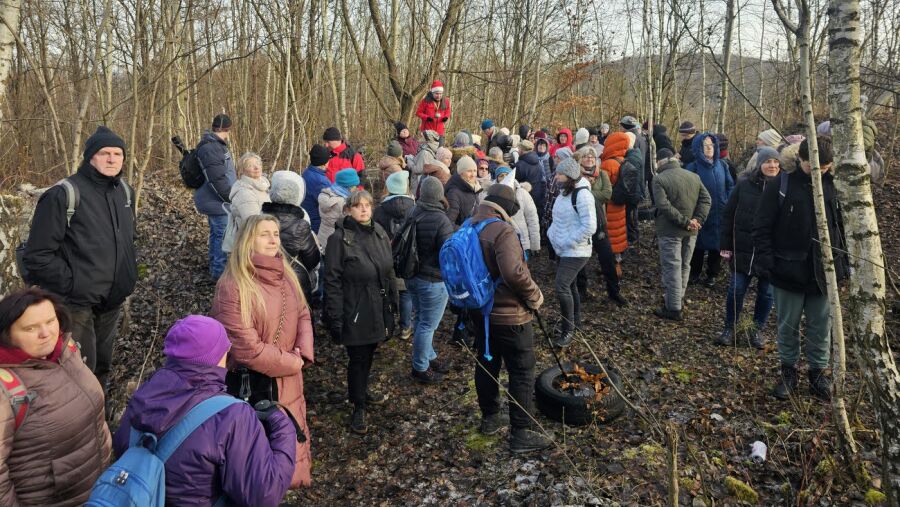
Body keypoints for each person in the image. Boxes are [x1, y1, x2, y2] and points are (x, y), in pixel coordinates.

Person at [113, 315, 297, 506]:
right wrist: (283, 426)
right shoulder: (232, 416)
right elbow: (263, 495)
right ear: (218, 356)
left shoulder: (143, 396)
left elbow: (121, 449)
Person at [22, 126, 136, 386]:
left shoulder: (124, 193)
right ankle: (81, 423)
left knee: (102, 368)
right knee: (78, 373)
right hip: (76, 305)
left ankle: (101, 419)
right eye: (104, 153)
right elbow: (37, 256)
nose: (111, 159)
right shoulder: (64, 195)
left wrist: (127, 277)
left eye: (117, 154)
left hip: (112, 301)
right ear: (90, 157)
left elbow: (127, 242)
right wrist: (74, 285)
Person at [210, 214, 314, 486]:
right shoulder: (233, 286)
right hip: (255, 386)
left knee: (288, 450)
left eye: (276, 233)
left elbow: (303, 313)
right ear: (247, 240)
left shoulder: (286, 275)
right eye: (264, 234)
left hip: (289, 378)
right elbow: (246, 348)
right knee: (257, 467)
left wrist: (302, 353)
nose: (273, 239)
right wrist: (292, 362)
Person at [753, 137, 847, 401]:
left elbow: (843, 228)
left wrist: (843, 266)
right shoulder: (780, 185)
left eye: (827, 166)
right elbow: (761, 226)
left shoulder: (836, 187)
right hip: (787, 271)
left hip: (824, 273)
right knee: (788, 326)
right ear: (801, 159)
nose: (821, 171)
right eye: (815, 165)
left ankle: (818, 374)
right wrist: (767, 261)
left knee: (820, 326)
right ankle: (788, 372)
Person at [0, 287, 112, 506]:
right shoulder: (6, 387)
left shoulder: (66, 352)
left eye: (51, 321)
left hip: (98, 489)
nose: (46, 333)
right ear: (7, 335)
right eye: (30, 328)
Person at [469, 184, 550, 453]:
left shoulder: (470, 226)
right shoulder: (502, 231)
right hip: (510, 316)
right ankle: (521, 432)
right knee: (522, 370)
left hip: (480, 312)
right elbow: (514, 273)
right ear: (506, 209)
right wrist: (534, 295)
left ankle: (490, 418)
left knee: (486, 362)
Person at [323, 191, 398, 434]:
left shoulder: (379, 232)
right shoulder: (339, 239)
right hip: (354, 309)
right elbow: (332, 281)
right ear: (348, 210)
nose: (364, 210)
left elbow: (388, 271)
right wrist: (335, 317)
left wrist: (393, 304)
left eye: (367, 205)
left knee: (370, 353)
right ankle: (358, 405)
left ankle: (363, 390)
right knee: (358, 358)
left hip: (377, 305)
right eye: (358, 206)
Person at [715, 147, 780, 349]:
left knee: (767, 294)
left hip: (770, 252)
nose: (772, 165)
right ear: (759, 164)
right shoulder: (744, 185)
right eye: (768, 161)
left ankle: (755, 330)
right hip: (742, 248)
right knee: (736, 289)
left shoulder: (784, 187)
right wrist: (725, 245)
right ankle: (729, 328)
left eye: (776, 162)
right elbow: (728, 215)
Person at [651, 149, 711, 321]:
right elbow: (707, 200)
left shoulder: (659, 179)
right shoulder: (693, 176)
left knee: (672, 268)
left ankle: (674, 308)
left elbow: (663, 206)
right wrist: (697, 220)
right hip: (692, 230)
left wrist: (685, 221)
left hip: (670, 230)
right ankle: (677, 299)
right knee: (685, 265)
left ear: (660, 162)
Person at [404, 177, 454, 383]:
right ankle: (420, 367)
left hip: (412, 276)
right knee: (427, 324)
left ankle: (429, 355)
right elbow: (448, 253)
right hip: (432, 280)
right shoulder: (441, 219)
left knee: (419, 319)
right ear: (439, 195)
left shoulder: (413, 212)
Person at [547, 158, 597, 347]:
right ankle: (575, 322)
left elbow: (589, 226)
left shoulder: (583, 196)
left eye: (560, 174)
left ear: (569, 176)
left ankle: (568, 330)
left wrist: (568, 242)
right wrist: (551, 235)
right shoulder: (563, 193)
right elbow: (556, 219)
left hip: (577, 251)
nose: (557, 177)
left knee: (561, 286)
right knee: (571, 286)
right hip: (563, 249)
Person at [573, 147, 625, 306]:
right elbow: (574, 196)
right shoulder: (574, 176)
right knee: (580, 257)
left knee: (607, 257)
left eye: (592, 156)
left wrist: (585, 192)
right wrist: (588, 192)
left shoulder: (601, 174)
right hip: (579, 222)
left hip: (599, 221)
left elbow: (607, 195)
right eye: (586, 156)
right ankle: (581, 290)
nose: (589, 158)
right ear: (580, 159)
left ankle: (614, 291)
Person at [262, 171, 322, 302]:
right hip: (293, 278)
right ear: (296, 197)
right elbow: (312, 259)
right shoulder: (301, 224)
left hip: (263, 275)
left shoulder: (257, 219)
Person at [190, 114, 237, 279]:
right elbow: (217, 180)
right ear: (227, 130)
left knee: (217, 234)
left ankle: (213, 266)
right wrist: (232, 197)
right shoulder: (211, 147)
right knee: (221, 237)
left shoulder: (214, 145)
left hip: (216, 201)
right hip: (217, 202)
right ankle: (219, 274)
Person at [686, 133, 734, 286]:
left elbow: (730, 185)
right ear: (698, 148)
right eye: (705, 145)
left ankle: (712, 274)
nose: (709, 148)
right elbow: (688, 190)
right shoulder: (692, 167)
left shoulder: (723, 165)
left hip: (720, 211)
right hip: (700, 211)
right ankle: (695, 272)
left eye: (712, 145)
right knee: (698, 244)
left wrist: (727, 201)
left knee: (716, 245)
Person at [373, 171, 416, 341]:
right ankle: (405, 327)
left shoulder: (380, 210)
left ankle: (386, 326)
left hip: (385, 255)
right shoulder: (414, 208)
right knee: (405, 293)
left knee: (384, 292)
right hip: (407, 256)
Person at [223, 152, 270, 253]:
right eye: (250, 165)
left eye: (258, 164)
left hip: (264, 238)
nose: (256, 167)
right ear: (242, 171)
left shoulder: (262, 186)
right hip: (250, 244)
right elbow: (253, 223)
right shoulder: (244, 192)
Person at [495, 167, 540, 256]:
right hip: (501, 242)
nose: (505, 177)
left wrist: (535, 245)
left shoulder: (522, 193)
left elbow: (532, 219)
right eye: (501, 176)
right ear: (496, 179)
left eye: (507, 175)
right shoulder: (491, 194)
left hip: (522, 242)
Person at [599, 132, 630, 260]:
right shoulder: (622, 160)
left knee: (611, 234)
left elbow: (602, 186)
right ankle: (618, 259)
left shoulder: (608, 164)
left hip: (609, 205)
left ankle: (613, 267)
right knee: (619, 231)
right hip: (620, 203)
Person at [318, 168, 360, 248]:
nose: (357, 189)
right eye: (355, 186)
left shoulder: (326, 193)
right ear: (348, 187)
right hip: (337, 242)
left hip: (322, 238)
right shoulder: (343, 203)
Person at [301, 144, 333, 234]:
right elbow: (329, 206)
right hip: (317, 224)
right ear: (324, 162)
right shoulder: (321, 182)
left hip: (307, 218)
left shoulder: (307, 172)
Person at [445, 155, 484, 227]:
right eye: (469, 171)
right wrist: (466, 232)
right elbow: (448, 223)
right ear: (461, 173)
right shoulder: (454, 193)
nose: (473, 175)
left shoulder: (474, 188)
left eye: (475, 171)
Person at [514, 139, 548, 212]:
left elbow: (514, 184)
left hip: (525, 198)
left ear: (522, 150)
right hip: (537, 197)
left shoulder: (519, 165)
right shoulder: (537, 161)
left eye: (519, 148)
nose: (518, 150)